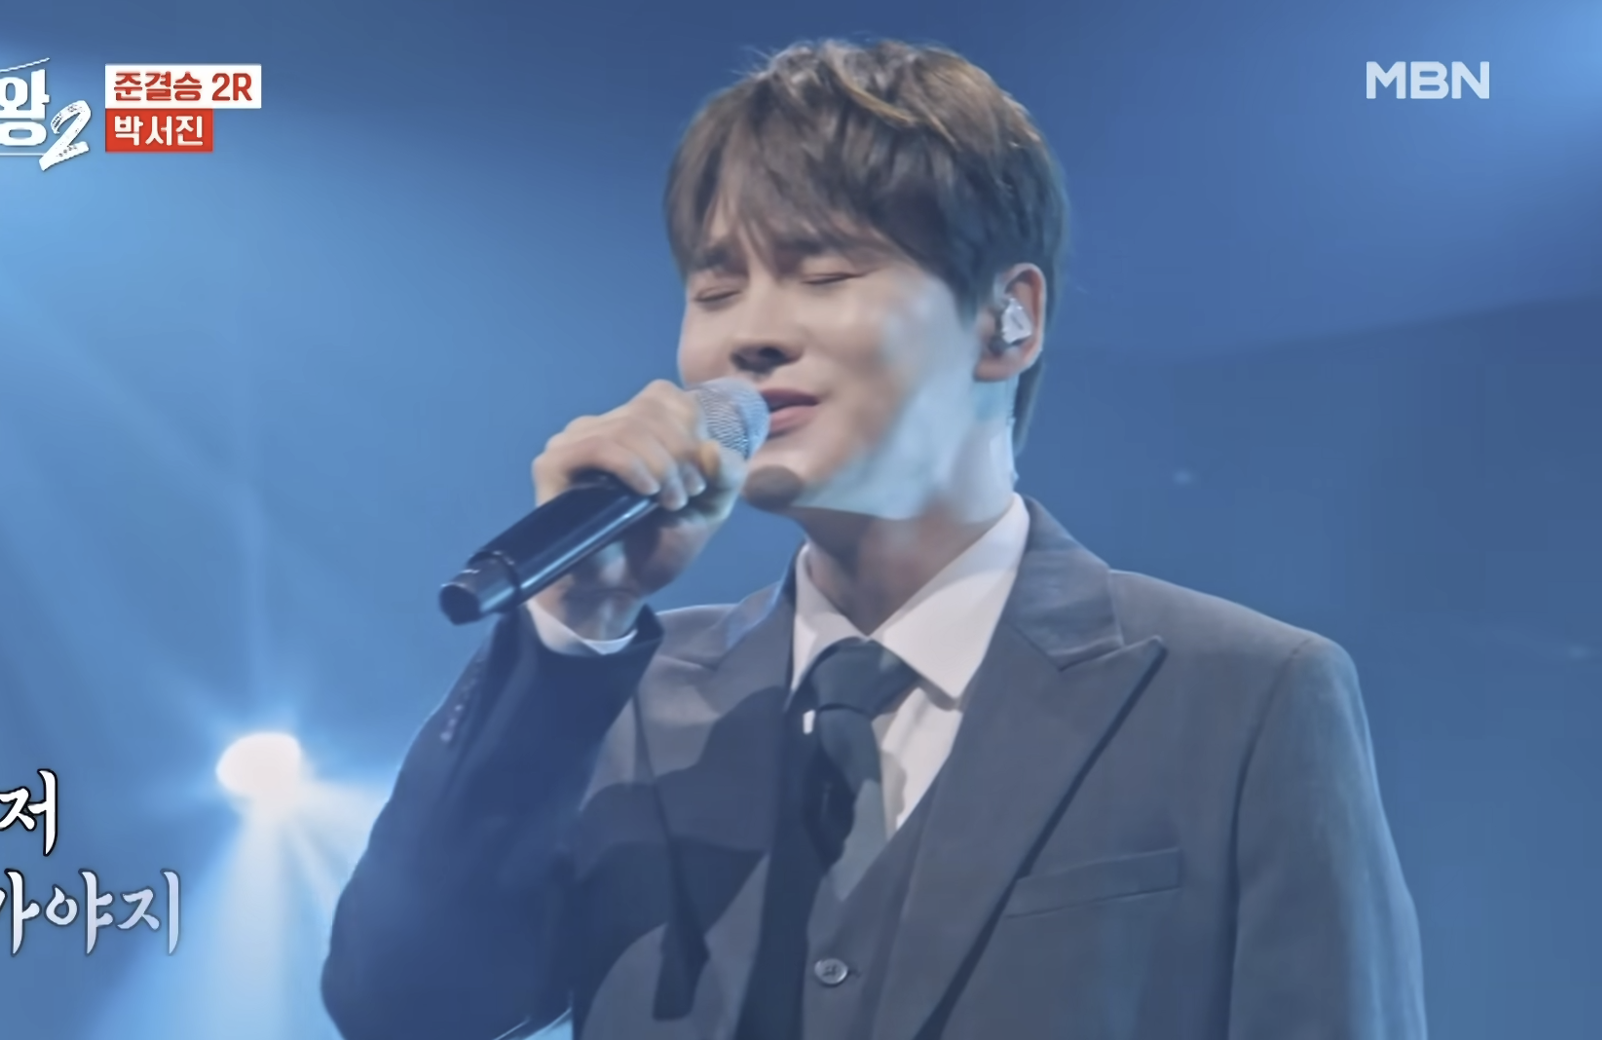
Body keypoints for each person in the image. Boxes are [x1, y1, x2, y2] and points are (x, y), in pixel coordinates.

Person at [321, 37, 1426, 1040]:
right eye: (716, 287)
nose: (751, 333)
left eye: (825, 273)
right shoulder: (630, 701)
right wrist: (574, 624)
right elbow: (403, 1008)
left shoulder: (1239, 696)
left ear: (1008, 319)